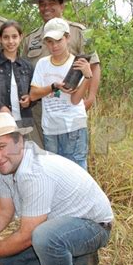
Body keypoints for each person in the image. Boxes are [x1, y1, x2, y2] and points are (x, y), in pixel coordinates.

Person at [0, 112, 114, 265]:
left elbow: (27, 235)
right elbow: (4, 210)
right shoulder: (6, 167)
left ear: (20, 141)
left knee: (42, 237)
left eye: (1, 146)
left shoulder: (35, 172)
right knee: (9, 262)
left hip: (94, 227)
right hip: (60, 226)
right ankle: (81, 264)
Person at [23, 0, 101, 146]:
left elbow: (94, 65)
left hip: (69, 107)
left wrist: (91, 98)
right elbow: (24, 71)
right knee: (43, 155)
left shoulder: (80, 32)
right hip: (40, 109)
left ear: (62, 5)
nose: (46, 8)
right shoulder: (31, 38)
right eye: (42, 4)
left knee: (72, 157)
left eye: (52, 3)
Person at [30, 18, 92, 169]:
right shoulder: (42, 64)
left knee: (77, 171)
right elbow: (33, 95)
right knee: (54, 172)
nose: (54, 45)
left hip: (74, 127)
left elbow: (76, 100)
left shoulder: (78, 64)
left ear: (67, 38)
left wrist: (88, 76)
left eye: (59, 40)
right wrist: (54, 87)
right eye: (50, 41)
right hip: (51, 128)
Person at [0, 20, 41, 146]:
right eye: (6, 37)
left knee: (23, 158)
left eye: (14, 37)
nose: (10, 41)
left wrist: (30, 100)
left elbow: (35, 94)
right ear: (0, 39)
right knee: (1, 159)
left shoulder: (27, 66)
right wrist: (0, 107)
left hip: (23, 122)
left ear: (21, 37)